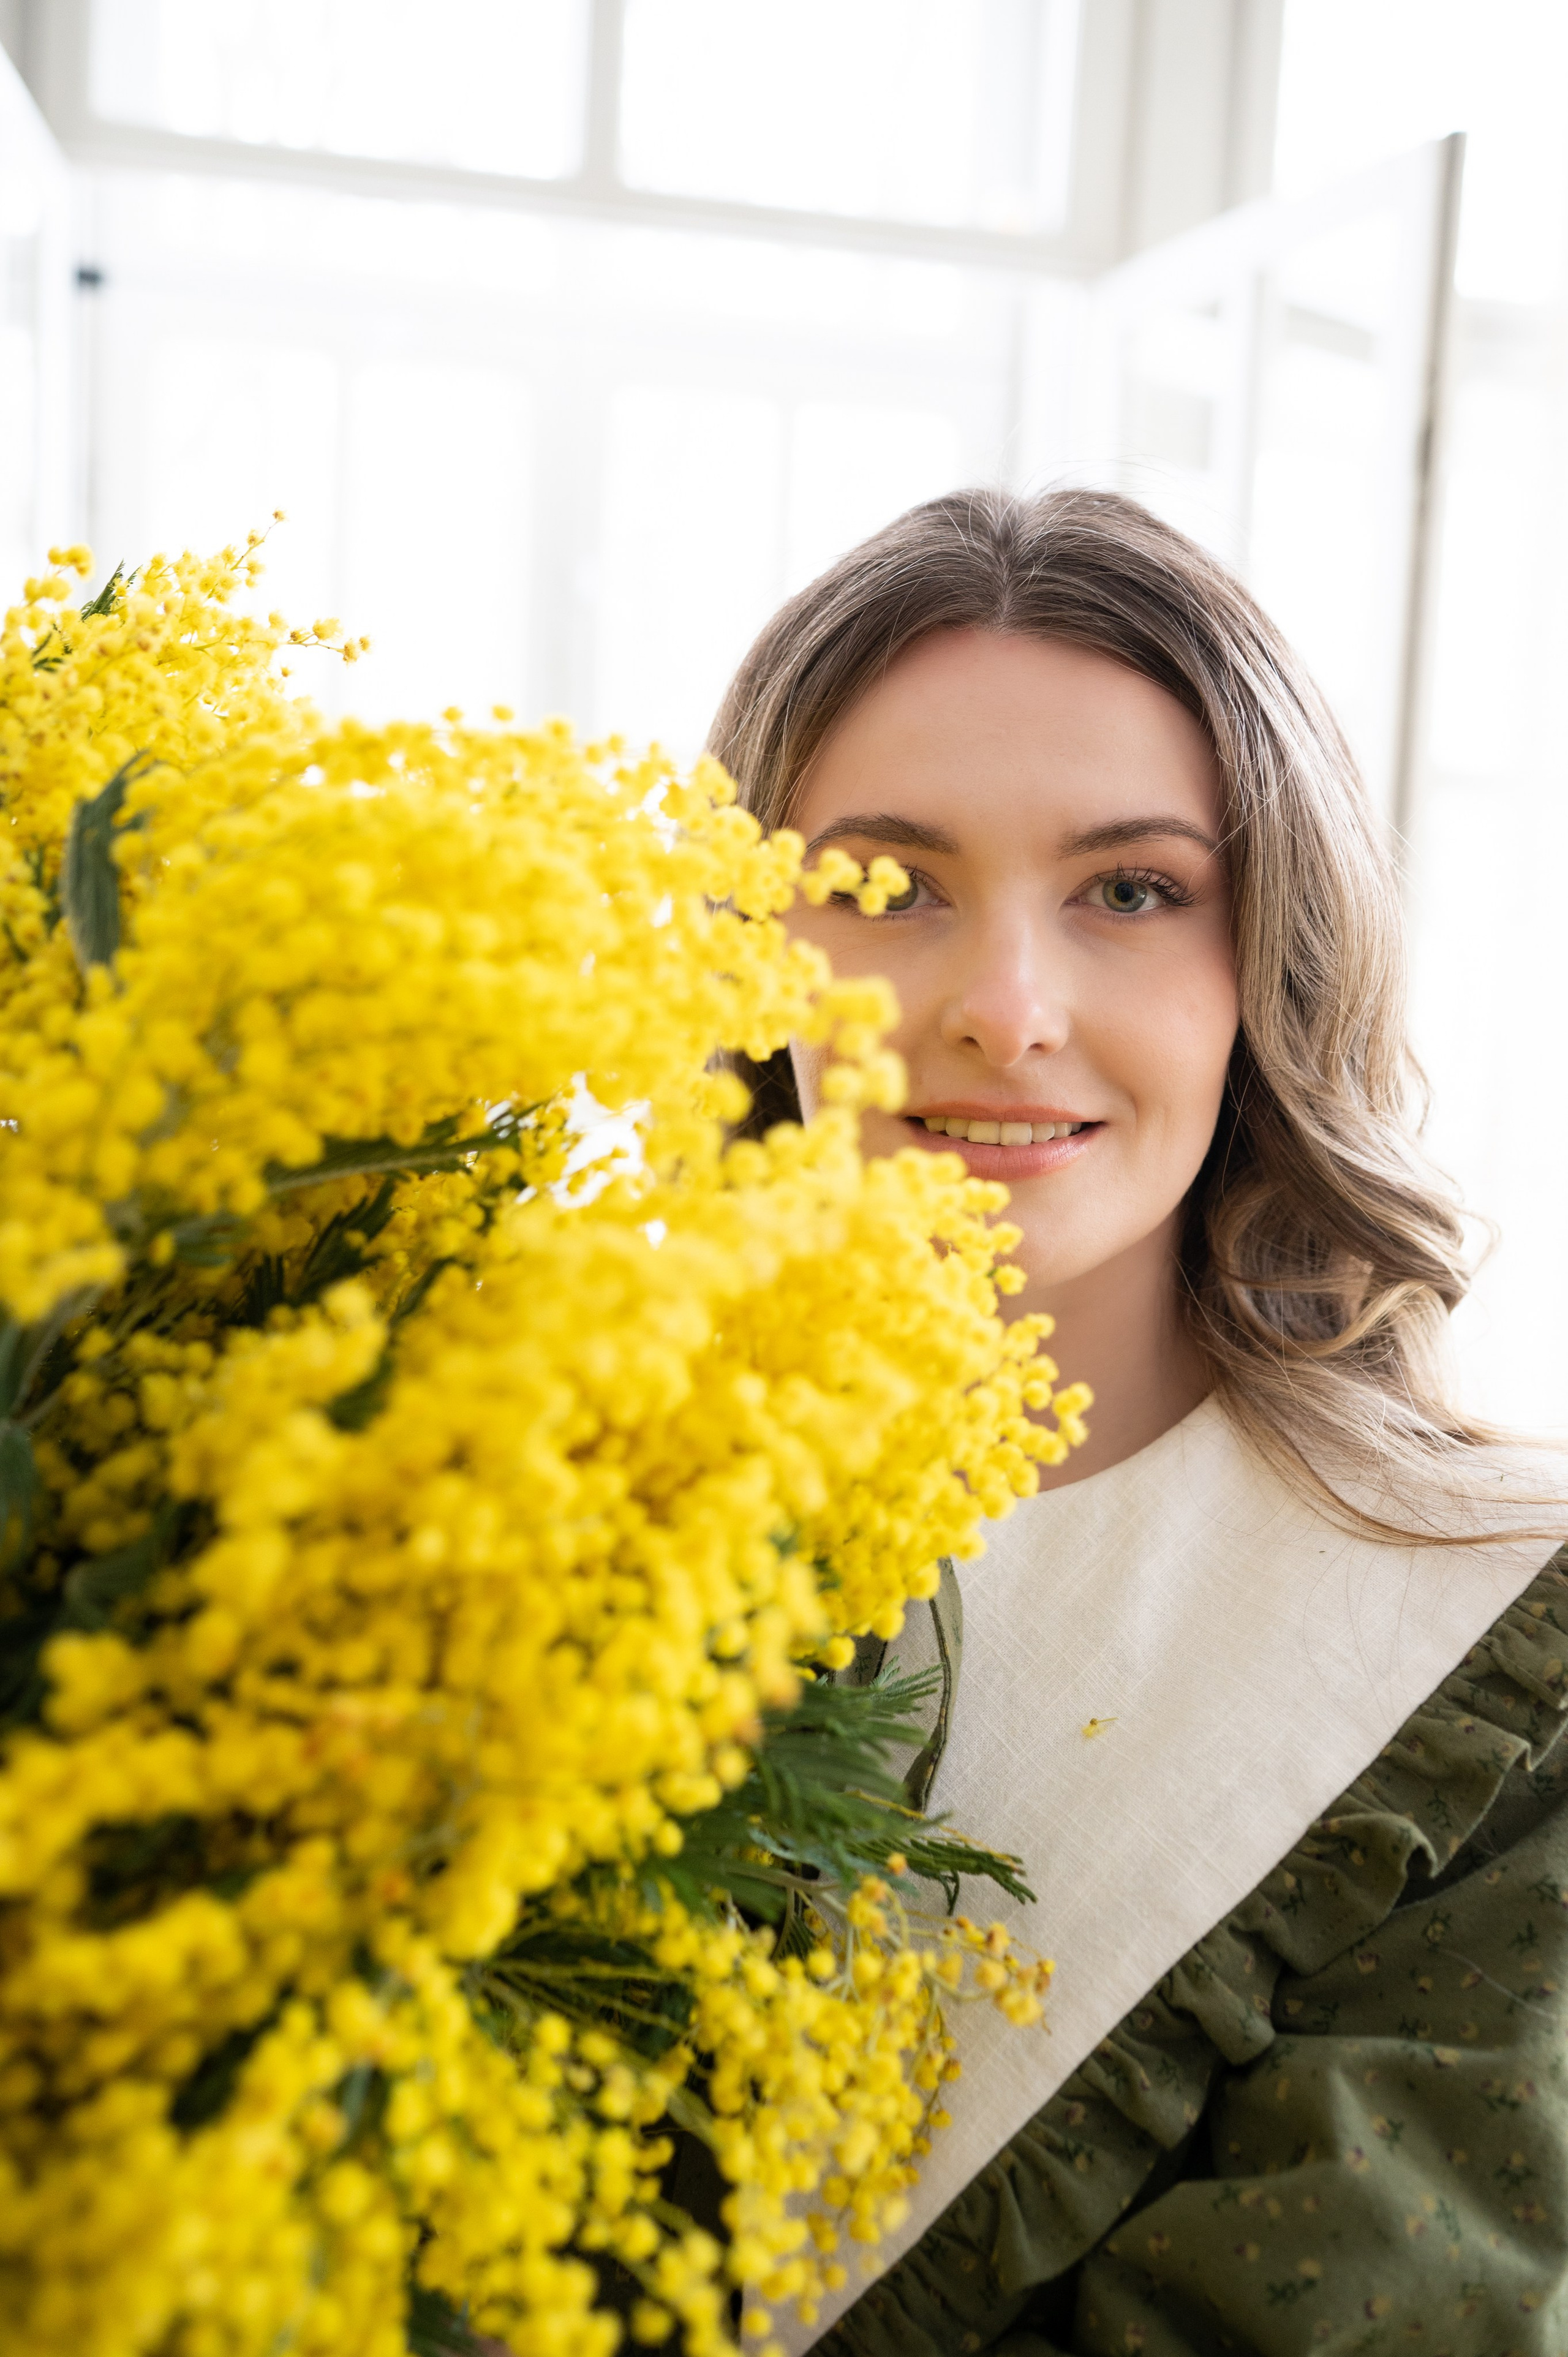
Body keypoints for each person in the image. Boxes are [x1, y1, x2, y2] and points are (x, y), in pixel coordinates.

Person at [709, 489, 1568, 2355]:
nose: (1004, 1013)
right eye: (889, 886)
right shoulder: (463, 1508)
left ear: (1272, 956)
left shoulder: (1497, 1647)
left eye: (1131, 890)